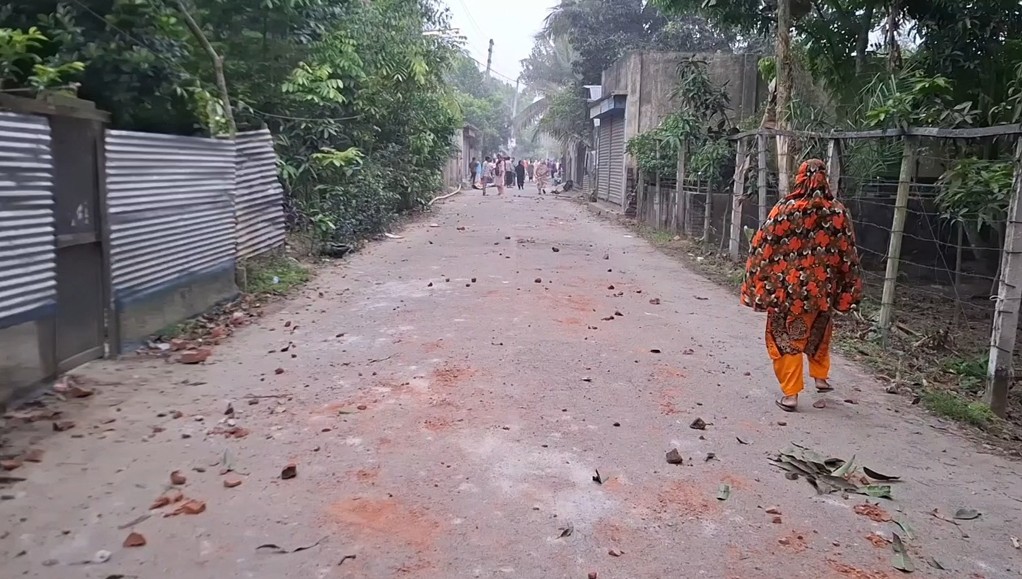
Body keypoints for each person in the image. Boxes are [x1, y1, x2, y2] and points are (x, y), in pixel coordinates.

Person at [740, 159, 863, 413]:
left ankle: (791, 395)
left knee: (787, 339)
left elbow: (762, 245)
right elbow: (848, 254)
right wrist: (846, 289)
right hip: (822, 291)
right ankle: (820, 376)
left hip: (789, 293)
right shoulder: (838, 212)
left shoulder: (785, 210)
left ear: (800, 178)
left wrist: (758, 284)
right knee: (818, 331)